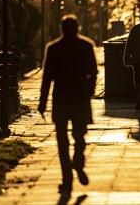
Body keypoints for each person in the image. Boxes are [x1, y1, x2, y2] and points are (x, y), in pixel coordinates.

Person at [38, 14, 98, 196]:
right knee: (80, 134)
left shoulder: (54, 48)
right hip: (80, 97)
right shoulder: (87, 46)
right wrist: (90, 91)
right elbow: (94, 72)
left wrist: (42, 103)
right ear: (78, 28)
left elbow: (47, 77)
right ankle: (78, 159)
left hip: (61, 98)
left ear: (61, 29)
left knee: (62, 140)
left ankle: (67, 179)